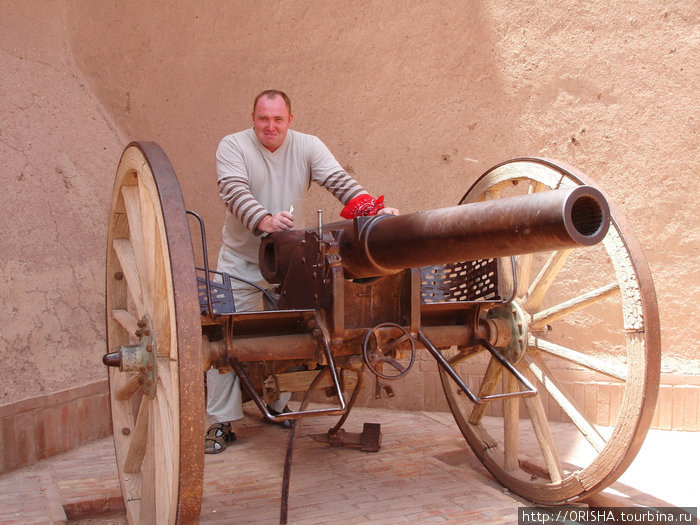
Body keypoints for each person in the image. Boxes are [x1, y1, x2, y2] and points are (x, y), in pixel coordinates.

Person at [205, 89, 399, 454]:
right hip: (241, 259)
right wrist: (265, 220)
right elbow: (233, 191)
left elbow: (340, 182)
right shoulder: (233, 146)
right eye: (263, 119)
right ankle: (220, 422)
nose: (270, 126)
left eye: (278, 119)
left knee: (290, 331)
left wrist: (372, 215)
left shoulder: (308, 146)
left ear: (290, 120)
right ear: (253, 118)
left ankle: (277, 405)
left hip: (289, 261)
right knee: (226, 338)